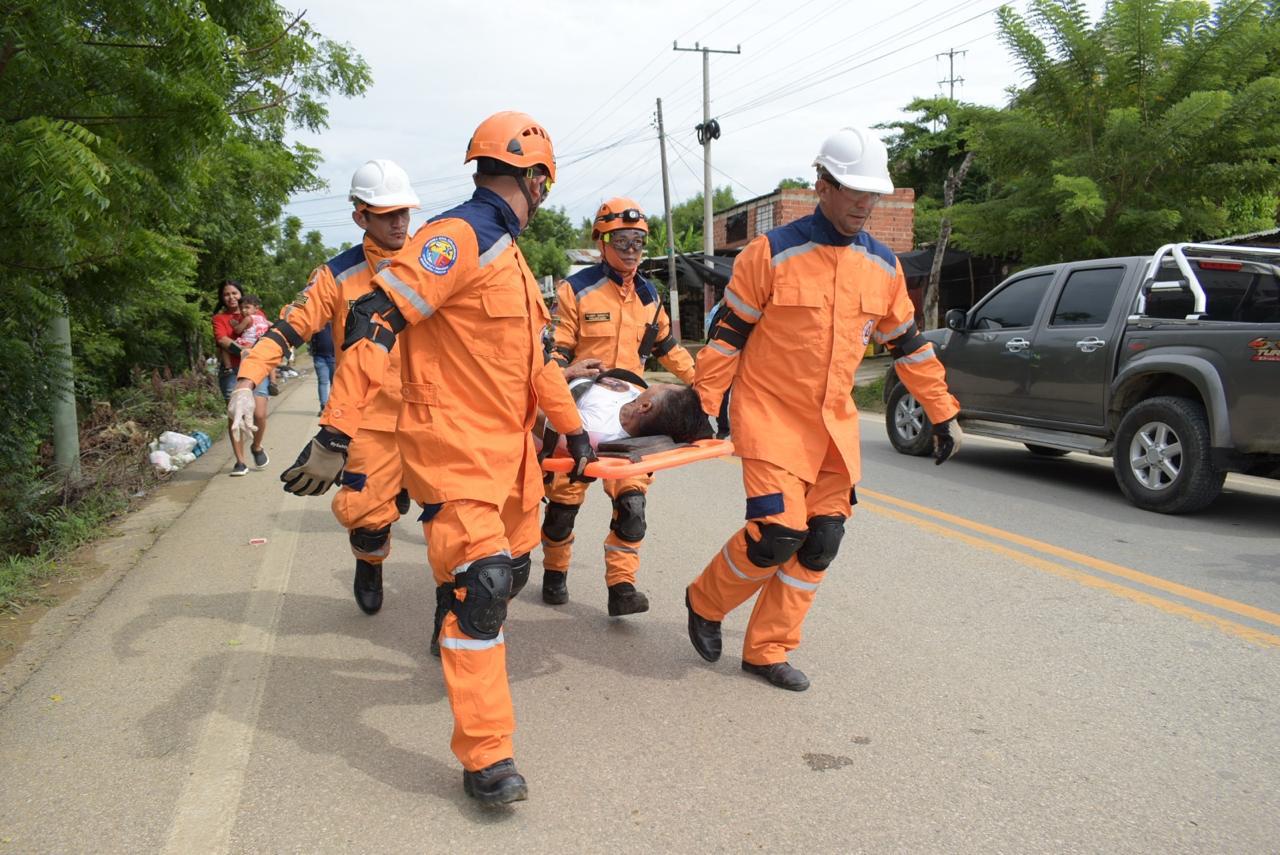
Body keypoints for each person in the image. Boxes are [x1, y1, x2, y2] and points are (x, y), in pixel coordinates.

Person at [277, 112, 595, 806]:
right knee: (483, 587)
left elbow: (536, 362)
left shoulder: (508, 256)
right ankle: (487, 756)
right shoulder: (459, 237)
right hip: (452, 453)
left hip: (510, 460)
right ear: (537, 179)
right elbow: (375, 322)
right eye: (542, 181)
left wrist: (570, 429)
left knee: (508, 575)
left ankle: (450, 616)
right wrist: (336, 431)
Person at [686, 126, 963, 692]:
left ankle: (767, 650)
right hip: (770, 418)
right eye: (854, 190)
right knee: (776, 534)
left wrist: (941, 411)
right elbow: (726, 339)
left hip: (834, 428)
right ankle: (705, 600)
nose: (865, 203)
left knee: (822, 541)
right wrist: (703, 404)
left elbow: (908, 345)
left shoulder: (884, 267)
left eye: (873, 193)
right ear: (823, 184)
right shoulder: (771, 253)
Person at [229, 159, 420, 615]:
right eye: (387, 213)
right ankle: (369, 560)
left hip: (432, 412)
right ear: (361, 216)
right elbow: (287, 330)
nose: (399, 222)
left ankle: (454, 614)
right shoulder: (336, 276)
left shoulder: (433, 264)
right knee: (369, 519)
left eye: (405, 212)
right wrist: (246, 380)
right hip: (369, 419)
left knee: (459, 520)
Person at [541, 198, 698, 615]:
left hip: (632, 415)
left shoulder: (650, 295)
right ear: (602, 240)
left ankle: (621, 587)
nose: (631, 249)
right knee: (563, 505)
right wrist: (568, 371)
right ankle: (555, 573)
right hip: (584, 408)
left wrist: (705, 386)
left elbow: (668, 349)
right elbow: (557, 349)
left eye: (639, 241)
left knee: (632, 506)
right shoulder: (575, 289)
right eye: (622, 239)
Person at [211, 281, 269, 476]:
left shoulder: (256, 313)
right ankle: (240, 461)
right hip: (232, 371)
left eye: (234, 293)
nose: (231, 297)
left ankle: (257, 446)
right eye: (226, 294)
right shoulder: (220, 318)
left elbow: (266, 336)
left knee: (259, 414)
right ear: (222, 297)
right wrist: (245, 351)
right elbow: (222, 340)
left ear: (241, 294)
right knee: (235, 414)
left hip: (257, 368)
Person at [311, 323, 336, 417]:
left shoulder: (337, 322)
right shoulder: (318, 322)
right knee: (323, 381)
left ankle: (334, 406)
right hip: (320, 357)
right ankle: (324, 407)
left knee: (335, 383)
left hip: (334, 357)